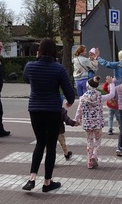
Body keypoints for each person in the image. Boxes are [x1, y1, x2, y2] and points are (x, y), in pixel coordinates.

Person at [22, 38, 75, 192]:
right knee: (51, 146)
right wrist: (69, 102)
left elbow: (26, 79)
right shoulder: (58, 69)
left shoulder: (30, 66)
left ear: (39, 50)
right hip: (52, 110)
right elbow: (70, 94)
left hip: (35, 109)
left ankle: (31, 179)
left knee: (40, 143)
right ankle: (47, 182)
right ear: (54, 51)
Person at [74, 75, 116, 169]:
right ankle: (95, 154)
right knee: (98, 140)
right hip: (97, 122)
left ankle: (89, 162)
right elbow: (112, 94)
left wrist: (76, 120)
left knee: (89, 141)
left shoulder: (83, 98)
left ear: (87, 86)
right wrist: (111, 83)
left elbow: (79, 110)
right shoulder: (100, 97)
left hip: (87, 123)